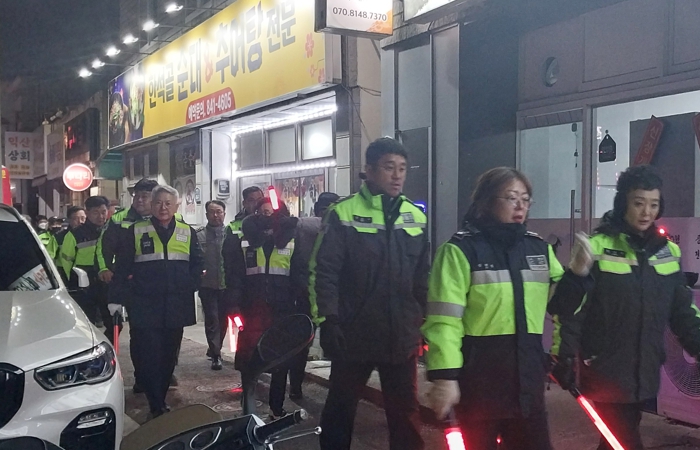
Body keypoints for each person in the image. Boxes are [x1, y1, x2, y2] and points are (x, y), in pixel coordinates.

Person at [548, 165, 700, 450]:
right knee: (623, 440)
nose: (646, 212)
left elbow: (683, 313)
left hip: (644, 372)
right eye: (638, 203)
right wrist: (563, 356)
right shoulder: (597, 247)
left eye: (653, 204)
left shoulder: (668, 252)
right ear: (623, 204)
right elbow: (569, 310)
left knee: (615, 441)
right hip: (604, 369)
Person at [422, 167, 564, 450]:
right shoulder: (460, 251)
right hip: (480, 385)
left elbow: (564, 306)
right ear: (486, 201)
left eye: (525, 199)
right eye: (511, 198)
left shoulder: (538, 249)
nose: (520, 206)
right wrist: (445, 377)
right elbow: (444, 321)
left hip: (527, 385)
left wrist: (580, 277)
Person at [309, 137, 429, 450]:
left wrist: (423, 322)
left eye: (402, 168)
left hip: (400, 336)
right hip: (353, 334)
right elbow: (324, 271)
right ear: (370, 170)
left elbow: (423, 277)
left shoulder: (415, 217)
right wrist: (327, 320)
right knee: (340, 410)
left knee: (405, 415)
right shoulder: (343, 213)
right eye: (389, 167)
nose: (397, 175)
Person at [109, 185, 203, 419]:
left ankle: (160, 395)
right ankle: (156, 403)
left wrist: (190, 284)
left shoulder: (187, 232)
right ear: (151, 205)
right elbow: (122, 267)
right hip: (145, 304)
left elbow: (198, 263)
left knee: (169, 355)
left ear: (176, 206)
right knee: (150, 354)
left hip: (176, 304)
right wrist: (116, 298)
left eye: (168, 203)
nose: (163, 207)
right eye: (158, 203)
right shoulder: (135, 231)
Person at [225, 196, 302, 419]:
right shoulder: (244, 240)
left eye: (272, 211)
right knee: (248, 358)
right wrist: (233, 304)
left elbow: (300, 274)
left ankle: (276, 407)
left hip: (282, 309)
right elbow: (235, 276)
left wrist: (299, 304)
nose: (268, 215)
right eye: (263, 211)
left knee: (280, 360)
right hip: (252, 309)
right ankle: (248, 405)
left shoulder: (293, 238)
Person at [97, 178, 159, 393]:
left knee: (165, 332)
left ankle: (165, 371)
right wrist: (104, 269)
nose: (140, 200)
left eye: (145, 196)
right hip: (134, 285)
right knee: (139, 332)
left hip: (162, 285)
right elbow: (103, 247)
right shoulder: (119, 219)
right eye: (137, 196)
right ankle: (142, 376)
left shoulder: (166, 217)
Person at [286, 192, 340, 400]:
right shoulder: (338, 227)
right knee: (336, 345)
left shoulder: (303, 226)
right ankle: (335, 387)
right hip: (331, 297)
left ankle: (295, 386)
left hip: (305, 294)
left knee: (301, 344)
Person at [59, 196, 113, 339]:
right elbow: (66, 262)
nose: (101, 216)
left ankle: (107, 345)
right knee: (87, 324)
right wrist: (72, 283)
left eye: (103, 212)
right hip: (84, 285)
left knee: (114, 323)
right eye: (96, 212)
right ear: (87, 212)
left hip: (107, 282)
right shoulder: (74, 234)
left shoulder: (111, 232)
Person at [196, 200, 230, 371]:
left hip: (227, 285)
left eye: (219, 212)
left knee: (223, 319)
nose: (216, 215)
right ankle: (216, 355)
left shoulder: (231, 234)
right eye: (212, 212)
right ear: (207, 214)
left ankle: (215, 347)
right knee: (212, 319)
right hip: (207, 285)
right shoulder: (199, 235)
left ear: (224, 213)